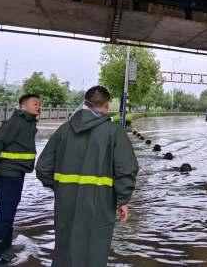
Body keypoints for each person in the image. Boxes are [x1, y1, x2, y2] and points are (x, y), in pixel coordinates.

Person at [36, 86, 138, 267]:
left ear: (84, 103)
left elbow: (43, 167)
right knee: (93, 248)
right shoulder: (114, 131)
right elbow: (126, 169)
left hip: (65, 201)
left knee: (64, 246)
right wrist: (123, 200)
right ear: (107, 105)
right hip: (100, 201)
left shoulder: (64, 130)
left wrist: (60, 187)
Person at [0, 94, 41, 264]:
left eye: (40, 104)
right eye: (35, 104)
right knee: (6, 214)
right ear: (23, 107)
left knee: (8, 211)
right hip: (8, 173)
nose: (39, 106)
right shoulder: (16, 122)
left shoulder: (29, 123)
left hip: (16, 173)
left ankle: (4, 244)